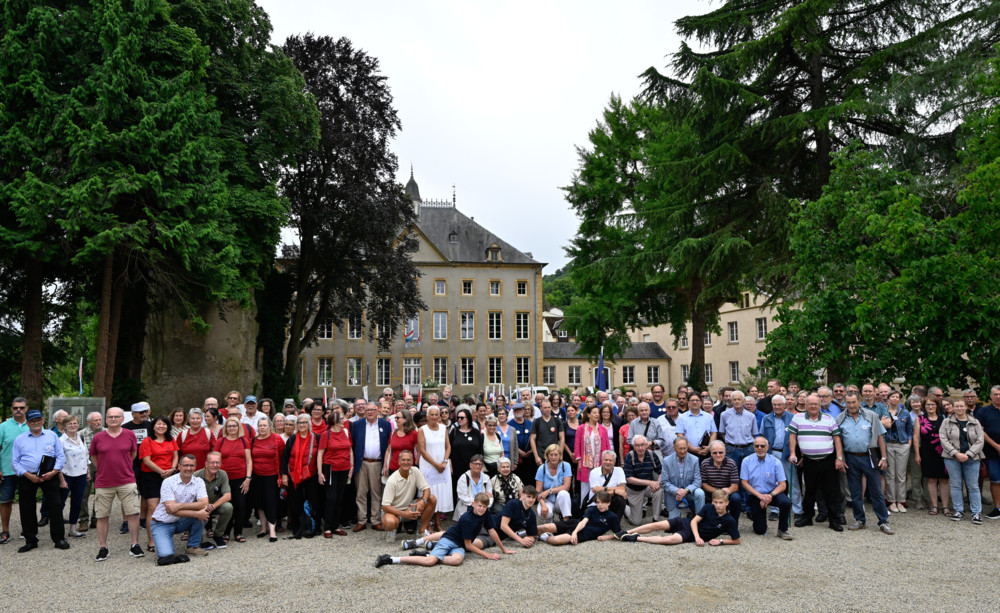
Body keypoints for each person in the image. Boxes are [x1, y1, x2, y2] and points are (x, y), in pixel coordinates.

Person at [375, 492, 511, 568]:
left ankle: (426, 554)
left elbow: (492, 530)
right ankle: (391, 559)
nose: (482, 509)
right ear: (473, 504)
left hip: (459, 544)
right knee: (430, 563)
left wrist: (503, 549)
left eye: (484, 507)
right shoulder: (468, 519)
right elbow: (469, 545)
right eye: (479, 506)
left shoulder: (485, 513)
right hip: (449, 540)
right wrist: (488, 556)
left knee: (457, 561)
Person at [89, 406, 144, 561]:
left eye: (116, 417)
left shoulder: (130, 435)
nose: (113, 419)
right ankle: (103, 547)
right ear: (106, 419)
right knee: (102, 515)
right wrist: (103, 469)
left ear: (122, 419)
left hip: (126, 480)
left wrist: (122, 466)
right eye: (110, 417)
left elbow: (133, 454)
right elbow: (93, 456)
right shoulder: (98, 437)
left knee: (132, 513)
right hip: (104, 482)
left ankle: (134, 545)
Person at [836, 392, 893, 534]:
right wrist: (840, 458)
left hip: (870, 456)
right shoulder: (840, 418)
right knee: (855, 491)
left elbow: (880, 437)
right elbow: (837, 440)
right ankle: (860, 519)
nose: (851, 405)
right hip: (850, 458)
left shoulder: (871, 416)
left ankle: (883, 521)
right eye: (848, 403)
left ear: (859, 401)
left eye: (854, 402)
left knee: (876, 491)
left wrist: (884, 458)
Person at [12, 408, 68, 552]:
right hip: (27, 477)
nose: (35, 423)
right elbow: (15, 462)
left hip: (49, 476)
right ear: (27, 423)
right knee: (26, 508)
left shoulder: (51, 436)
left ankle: (59, 538)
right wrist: (28, 475)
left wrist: (54, 472)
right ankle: (31, 540)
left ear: (43, 420)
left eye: (38, 420)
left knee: (55, 506)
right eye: (32, 421)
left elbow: (60, 456)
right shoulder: (20, 439)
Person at [788, 393, 846, 532]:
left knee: (831, 491)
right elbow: (792, 436)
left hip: (828, 460)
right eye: (810, 404)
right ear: (805, 405)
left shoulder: (829, 418)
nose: (813, 406)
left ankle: (834, 520)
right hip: (809, 461)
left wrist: (839, 458)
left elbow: (837, 438)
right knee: (809, 491)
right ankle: (807, 517)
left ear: (820, 406)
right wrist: (792, 453)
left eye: (816, 404)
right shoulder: (798, 418)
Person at [617, 490, 741, 546]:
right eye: (716, 502)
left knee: (668, 540)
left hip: (689, 535)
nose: (718, 505)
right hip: (686, 523)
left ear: (727, 503)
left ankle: (635, 538)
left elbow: (737, 540)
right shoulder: (709, 507)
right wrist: (698, 538)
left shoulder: (729, 521)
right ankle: (627, 532)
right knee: (657, 525)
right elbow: (694, 521)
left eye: (720, 502)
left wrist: (720, 541)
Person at [150, 454, 210, 565]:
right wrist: (196, 513)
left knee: (203, 513)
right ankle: (165, 543)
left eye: (192, 465)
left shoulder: (199, 481)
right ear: (179, 466)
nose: (189, 468)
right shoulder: (168, 482)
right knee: (166, 556)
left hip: (180, 521)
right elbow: (170, 510)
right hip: (162, 523)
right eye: (185, 465)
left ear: (195, 467)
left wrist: (179, 506)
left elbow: (204, 503)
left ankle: (192, 546)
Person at [740, 436, 794, 539]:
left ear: (767, 447)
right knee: (760, 530)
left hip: (772, 493)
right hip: (755, 494)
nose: (759, 448)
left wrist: (769, 496)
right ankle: (760, 521)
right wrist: (760, 496)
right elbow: (744, 483)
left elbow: (783, 485)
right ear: (753, 447)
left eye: (762, 446)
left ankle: (782, 530)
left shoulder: (776, 462)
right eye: (757, 446)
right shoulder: (746, 461)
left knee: (786, 502)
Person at [138, 415, 179, 551]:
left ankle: (165, 536)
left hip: (169, 476)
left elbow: (175, 456)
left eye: (164, 424)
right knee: (153, 508)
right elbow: (147, 461)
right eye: (158, 424)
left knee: (168, 506)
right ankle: (152, 540)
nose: (161, 426)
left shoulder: (171, 439)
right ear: (153, 426)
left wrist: (172, 469)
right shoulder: (147, 441)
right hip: (151, 476)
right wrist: (162, 472)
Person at [940, 399, 984, 523]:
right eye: (957, 406)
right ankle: (958, 510)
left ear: (966, 407)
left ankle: (976, 513)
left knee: (973, 486)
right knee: (955, 484)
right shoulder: (946, 422)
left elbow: (980, 441)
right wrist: (956, 453)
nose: (959, 408)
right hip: (952, 458)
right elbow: (943, 439)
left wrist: (969, 454)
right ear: (953, 408)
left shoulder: (975, 422)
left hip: (972, 458)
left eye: (961, 406)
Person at [350, 401, 391, 531]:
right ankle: (361, 520)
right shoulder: (357, 425)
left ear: (378, 410)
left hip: (377, 463)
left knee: (376, 493)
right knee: (361, 493)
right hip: (361, 463)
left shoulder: (385, 424)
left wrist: (386, 464)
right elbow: (353, 444)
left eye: (372, 410)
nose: (369, 412)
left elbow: (389, 446)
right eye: (367, 410)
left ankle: (375, 520)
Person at [213, 416, 252, 543]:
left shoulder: (244, 441)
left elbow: (249, 461)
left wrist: (248, 478)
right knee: (227, 506)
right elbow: (215, 460)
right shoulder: (221, 441)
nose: (232, 428)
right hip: (224, 479)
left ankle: (238, 532)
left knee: (240, 506)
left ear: (238, 427)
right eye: (229, 426)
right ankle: (226, 532)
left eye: (234, 426)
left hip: (241, 477)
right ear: (226, 428)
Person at [282, 415, 322, 539]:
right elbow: (285, 458)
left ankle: (313, 527)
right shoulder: (292, 439)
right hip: (294, 476)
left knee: (314, 502)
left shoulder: (317, 438)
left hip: (312, 476)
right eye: (299, 423)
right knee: (295, 503)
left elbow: (321, 457)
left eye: (304, 422)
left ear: (309, 424)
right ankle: (298, 527)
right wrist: (284, 475)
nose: (302, 425)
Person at [760, 394, 798, 520]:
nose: (777, 407)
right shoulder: (767, 418)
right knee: (773, 482)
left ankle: (797, 510)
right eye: (774, 404)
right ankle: (774, 510)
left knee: (793, 482)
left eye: (779, 404)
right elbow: (762, 436)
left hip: (787, 454)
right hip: (772, 453)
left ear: (785, 405)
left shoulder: (792, 417)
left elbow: (797, 436)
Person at [380, 450, 436, 535]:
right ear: (399, 462)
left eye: (408, 460)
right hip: (394, 512)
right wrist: (405, 514)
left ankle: (421, 532)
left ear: (412, 462)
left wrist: (423, 501)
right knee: (389, 522)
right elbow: (385, 506)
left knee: (432, 498)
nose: (406, 462)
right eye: (403, 460)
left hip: (410, 508)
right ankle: (391, 530)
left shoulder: (415, 471)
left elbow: (427, 489)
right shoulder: (392, 480)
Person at [536, 490, 620, 545]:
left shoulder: (613, 517)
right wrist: (575, 532)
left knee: (555, 541)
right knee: (546, 526)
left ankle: (543, 537)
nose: (600, 505)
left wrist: (607, 537)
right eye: (598, 502)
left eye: (603, 503)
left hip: (583, 535)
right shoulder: (592, 510)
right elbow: (583, 522)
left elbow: (619, 534)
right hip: (574, 524)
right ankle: (525, 533)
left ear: (608, 503)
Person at [317, 410, 352, 537]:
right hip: (330, 468)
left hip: (344, 468)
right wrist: (320, 472)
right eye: (341, 419)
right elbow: (320, 454)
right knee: (331, 498)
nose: (344, 421)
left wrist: (351, 467)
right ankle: (327, 527)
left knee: (340, 497)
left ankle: (336, 526)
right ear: (335, 421)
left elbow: (350, 450)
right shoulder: (326, 434)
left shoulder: (346, 432)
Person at [417, 406, 452, 531]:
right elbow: (422, 450)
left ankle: (438, 523)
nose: (434, 417)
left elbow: (448, 447)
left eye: (437, 414)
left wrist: (444, 462)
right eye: (432, 414)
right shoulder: (422, 430)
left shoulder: (443, 428)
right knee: (429, 494)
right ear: (427, 416)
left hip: (442, 466)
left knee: (441, 494)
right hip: (428, 466)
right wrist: (436, 464)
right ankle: (427, 523)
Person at [915, 394, 950, 516]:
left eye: (932, 404)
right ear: (924, 406)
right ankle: (934, 506)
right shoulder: (919, 419)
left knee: (944, 480)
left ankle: (945, 507)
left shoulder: (944, 418)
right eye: (928, 404)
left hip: (943, 452)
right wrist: (917, 454)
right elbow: (916, 437)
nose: (930, 406)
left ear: (937, 406)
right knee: (931, 479)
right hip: (927, 452)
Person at [250, 417, 284, 541]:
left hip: (272, 476)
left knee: (271, 502)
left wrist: (282, 475)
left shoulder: (277, 439)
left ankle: (272, 531)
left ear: (270, 426)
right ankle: (263, 528)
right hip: (257, 476)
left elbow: (283, 457)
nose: (262, 428)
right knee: (260, 503)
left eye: (265, 425)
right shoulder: (253, 440)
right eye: (260, 425)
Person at [122, 402, 152, 533]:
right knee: (128, 493)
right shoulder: (125, 428)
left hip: (147, 464)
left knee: (145, 493)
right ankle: (126, 521)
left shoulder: (151, 426)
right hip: (129, 465)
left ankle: (143, 518)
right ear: (133, 414)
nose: (144, 414)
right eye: (141, 412)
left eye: (145, 412)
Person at [192, 451, 232, 550]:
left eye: (217, 462)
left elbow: (228, 495)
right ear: (206, 463)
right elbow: (190, 498)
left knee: (228, 507)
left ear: (221, 463)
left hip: (214, 506)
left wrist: (213, 505)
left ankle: (218, 535)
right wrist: (203, 506)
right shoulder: (196, 476)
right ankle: (197, 538)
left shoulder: (222, 474)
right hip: (198, 507)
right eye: (212, 462)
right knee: (196, 543)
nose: (214, 465)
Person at [59, 415, 90, 538]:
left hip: (81, 475)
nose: (73, 425)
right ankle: (58, 530)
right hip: (67, 475)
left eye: (75, 423)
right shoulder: (61, 441)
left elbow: (86, 456)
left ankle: (73, 529)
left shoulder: (81, 438)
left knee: (77, 503)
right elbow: (58, 461)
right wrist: (61, 479)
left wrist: (87, 472)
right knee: (60, 503)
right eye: (70, 423)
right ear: (65, 426)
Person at [622, 435, 663, 526]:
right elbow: (629, 479)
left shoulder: (652, 454)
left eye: (642, 445)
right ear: (633, 446)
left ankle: (656, 520)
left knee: (659, 491)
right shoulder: (630, 456)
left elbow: (661, 471)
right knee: (636, 522)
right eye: (637, 445)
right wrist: (650, 482)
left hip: (647, 488)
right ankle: (624, 507)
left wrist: (658, 482)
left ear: (646, 445)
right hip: (634, 490)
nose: (640, 448)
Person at [973, 385, 1000, 520]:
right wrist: (996, 446)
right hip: (991, 452)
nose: (998, 397)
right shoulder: (983, 412)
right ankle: (997, 507)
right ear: (991, 396)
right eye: (995, 394)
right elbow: (980, 431)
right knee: (995, 480)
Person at [884, 390, 914, 513]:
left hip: (902, 445)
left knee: (901, 475)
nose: (895, 399)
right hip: (888, 444)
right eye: (893, 396)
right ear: (888, 398)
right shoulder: (884, 412)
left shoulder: (905, 413)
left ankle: (900, 501)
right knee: (890, 474)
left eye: (897, 397)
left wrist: (908, 443)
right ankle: (891, 501)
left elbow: (910, 430)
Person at [574, 404, 610, 504]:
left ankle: (598, 507)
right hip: (585, 464)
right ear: (588, 414)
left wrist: (607, 460)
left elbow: (607, 446)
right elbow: (577, 446)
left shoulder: (602, 429)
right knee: (585, 487)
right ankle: (584, 508)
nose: (597, 415)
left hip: (599, 463)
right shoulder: (581, 428)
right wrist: (579, 461)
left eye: (598, 413)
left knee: (598, 487)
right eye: (594, 413)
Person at [700, 441, 742, 523]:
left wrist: (726, 492)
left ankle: (732, 523)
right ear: (711, 453)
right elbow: (704, 484)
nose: (718, 455)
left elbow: (735, 486)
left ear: (725, 452)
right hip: (711, 493)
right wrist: (718, 492)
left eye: (721, 452)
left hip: (727, 493)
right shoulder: (705, 464)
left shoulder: (731, 463)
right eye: (715, 453)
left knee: (736, 498)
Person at [661, 438, 704, 519]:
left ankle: (700, 519)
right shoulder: (667, 461)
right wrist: (677, 491)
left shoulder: (694, 459)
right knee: (674, 525)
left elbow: (697, 481)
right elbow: (664, 482)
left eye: (684, 448)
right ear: (674, 448)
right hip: (674, 495)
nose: (683, 451)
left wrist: (686, 490)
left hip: (689, 492)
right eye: (680, 448)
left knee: (700, 493)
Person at [449, 407, 484, 501]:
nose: (459, 419)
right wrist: (450, 464)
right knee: (458, 488)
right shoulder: (454, 432)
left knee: (472, 488)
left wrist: (481, 465)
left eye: (462, 418)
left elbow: (480, 450)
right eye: (458, 417)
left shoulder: (476, 432)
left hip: (473, 466)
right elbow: (449, 449)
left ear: (468, 418)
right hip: (457, 466)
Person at [77, 411, 104, 533]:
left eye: (99, 419)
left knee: (101, 494)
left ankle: (96, 518)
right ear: (89, 422)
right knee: (83, 494)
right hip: (85, 466)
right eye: (95, 420)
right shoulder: (80, 434)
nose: (98, 422)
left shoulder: (107, 433)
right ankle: (83, 520)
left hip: (103, 465)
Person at [535, 444, 573, 520]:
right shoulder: (542, 468)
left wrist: (549, 491)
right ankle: (550, 525)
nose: (553, 457)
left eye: (556, 455)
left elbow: (566, 487)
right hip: (547, 500)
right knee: (542, 512)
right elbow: (538, 492)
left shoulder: (566, 466)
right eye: (551, 455)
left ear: (560, 455)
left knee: (564, 493)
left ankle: (566, 523)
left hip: (560, 499)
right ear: (547, 455)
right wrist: (543, 504)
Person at [676, 393, 717, 461]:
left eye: (697, 400)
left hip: (706, 453)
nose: (695, 402)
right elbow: (680, 435)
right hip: (689, 453)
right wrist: (692, 448)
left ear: (701, 402)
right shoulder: (681, 418)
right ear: (688, 402)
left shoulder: (708, 417)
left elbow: (713, 433)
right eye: (692, 400)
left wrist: (709, 447)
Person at [455, 454, 493, 520]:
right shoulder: (463, 478)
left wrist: (485, 504)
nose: (477, 466)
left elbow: (490, 496)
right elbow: (463, 497)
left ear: (482, 466)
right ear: (470, 465)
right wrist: (478, 502)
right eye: (475, 464)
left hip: (483, 506)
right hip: (468, 506)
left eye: (480, 464)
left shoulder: (486, 478)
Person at [530, 400, 565, 468]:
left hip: (554, 456)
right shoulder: (537, 422)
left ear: (551, 408)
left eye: (549, 407)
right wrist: (536, 456)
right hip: (541, 456)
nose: (547, 409)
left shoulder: (557, 421)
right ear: (541, 408)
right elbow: (532, 439)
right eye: (545, 407)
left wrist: (560, 454)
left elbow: (562, 438)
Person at [384, 410, 418, 476]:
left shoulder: (414, 433)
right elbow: (388, 451)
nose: (396, 420)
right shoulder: (393, 433)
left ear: (405, 419)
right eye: (395, 418)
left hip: (408, 469)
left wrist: (416, 465)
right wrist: (385, 466)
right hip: (393, 469)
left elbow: (419, 451)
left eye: (398, 418)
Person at [509, 403, 534, 486]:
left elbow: (533, 438)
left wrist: (530, 451)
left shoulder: (529, 423)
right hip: (517, 457)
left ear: (523, 411)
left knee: (529, 479)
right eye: (516, 410)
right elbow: (510, 441)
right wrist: (519, 451)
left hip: (529, 456)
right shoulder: (510, 424)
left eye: (520, 409)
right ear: (513, 411)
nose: (518, 411)